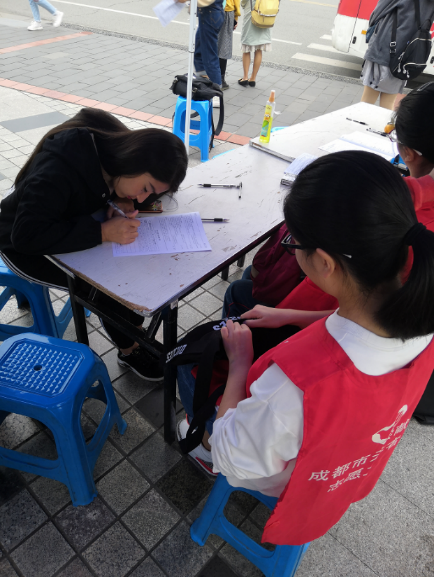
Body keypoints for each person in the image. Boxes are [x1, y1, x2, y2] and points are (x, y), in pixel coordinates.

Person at [178, 150, 434, 545]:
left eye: (293, 242)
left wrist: (241, 364)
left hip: (289, 480)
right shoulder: (421, 318)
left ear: (325, 263)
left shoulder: (293, 387)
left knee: (187, 366)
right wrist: (290, 315)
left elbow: (234, 457)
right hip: (349, 470)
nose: (291, 247)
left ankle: (200, 447)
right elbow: (355, 329)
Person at [0, 108, 188, 380]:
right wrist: (101, 232)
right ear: (134, 160)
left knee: (130, 265)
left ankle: (135, 329)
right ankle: (129, 349)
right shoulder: (59, 168)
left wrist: (120, 198)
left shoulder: (118, 149)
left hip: (66, 222)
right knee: (104, 284)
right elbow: (27, 235)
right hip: (23, 245)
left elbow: (133, 190)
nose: (142, 198)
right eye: (145, 188)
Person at [360, 0, 434, 109]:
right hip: (406, 55)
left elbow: (377, 13)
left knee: (367, 101)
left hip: (385, 47)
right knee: (388, 104)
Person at [238, 0, 272, 87]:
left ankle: (245, 77)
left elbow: (244, 2)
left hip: (252, 11)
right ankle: (253, 78)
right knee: (259, 49)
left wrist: (243, 5)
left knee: (246, 47)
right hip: (264, 14)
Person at [218, 0, 241, 90]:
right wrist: (236, 17)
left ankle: (207, 76)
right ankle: (221, 80)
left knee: (211, 43)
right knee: (224, 45)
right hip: (227, 11)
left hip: (212, 9)